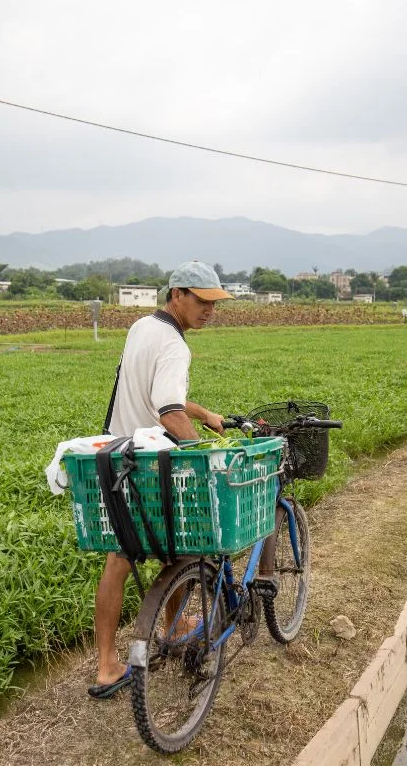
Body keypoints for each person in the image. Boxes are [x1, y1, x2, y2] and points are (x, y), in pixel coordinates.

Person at [87, 260, 233, 699]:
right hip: (156, 464)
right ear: (178, 295)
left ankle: (108, 664)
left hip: (119, 458)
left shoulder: (141, 328)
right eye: (202, 301)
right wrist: (204, 455)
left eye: (215, 303)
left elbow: (159, 395)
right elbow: (167, 410)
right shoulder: (175, 345)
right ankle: (170, 624)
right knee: (182, 543)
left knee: (119, 557)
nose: (210, 310)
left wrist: (203, 413)